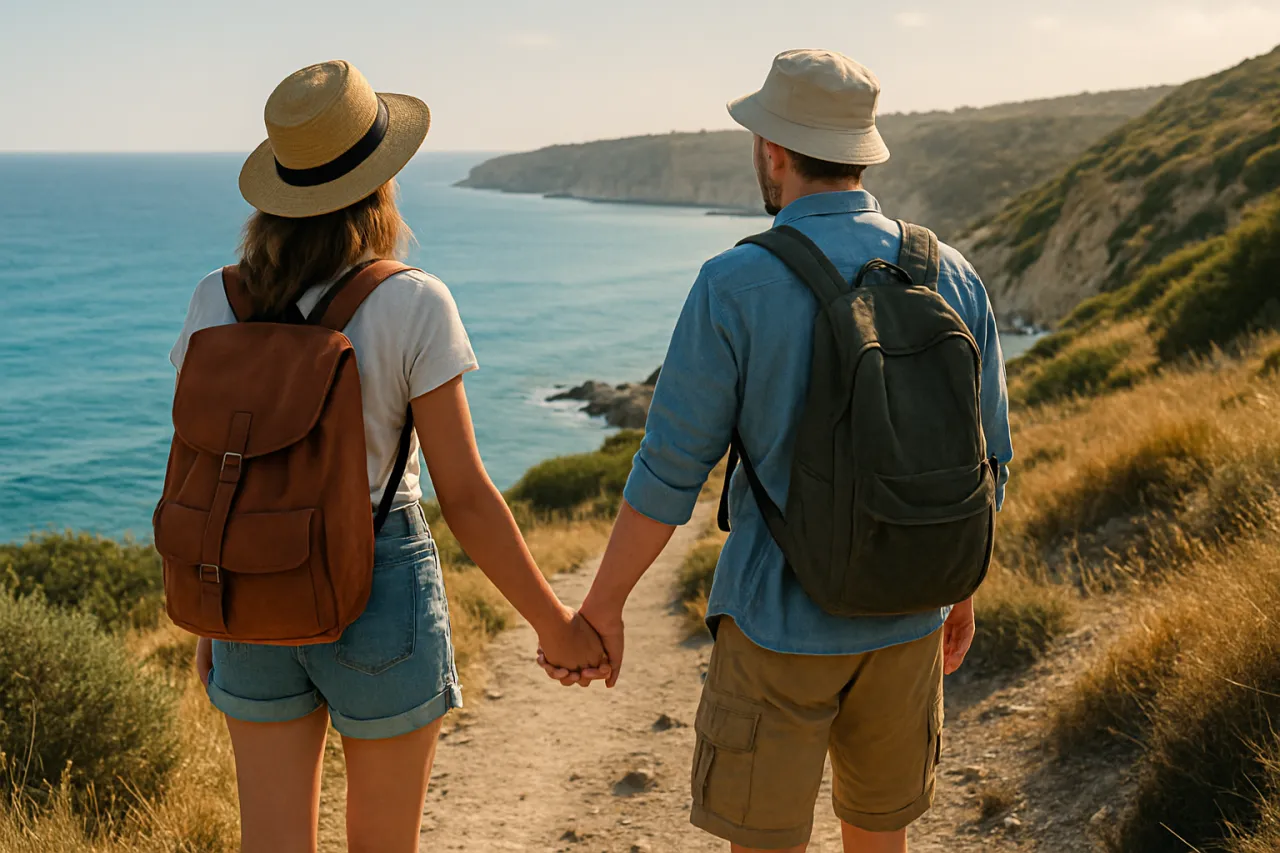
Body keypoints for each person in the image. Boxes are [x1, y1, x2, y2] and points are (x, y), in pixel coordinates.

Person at [542, 50, 1014, 852]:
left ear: (773, 151)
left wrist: (603, 606)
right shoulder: (951, 274)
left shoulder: (734, 284)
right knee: (880, 839)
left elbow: (667, 472)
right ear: (864, 149)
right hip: (906, 620)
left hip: (776, 625)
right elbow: (987, 458)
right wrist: (954, 586)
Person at [170, 60, 607, 853]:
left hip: (247, 588)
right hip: (378, 581)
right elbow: (466, 493)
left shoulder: (215, 299)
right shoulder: (412, 300)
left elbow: (210, 472)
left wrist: (214, 612)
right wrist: (557, 624)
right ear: (381, 184)